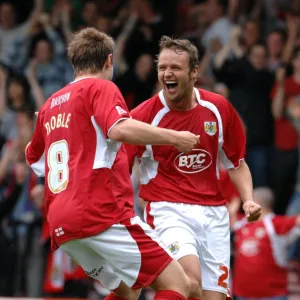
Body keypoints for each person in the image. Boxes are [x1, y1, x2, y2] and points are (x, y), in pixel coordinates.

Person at [25, 28, 201, 300]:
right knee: (178, 285)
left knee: (128, 291)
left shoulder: (49, 106)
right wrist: (174, 138)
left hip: (62, 223)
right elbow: (118, 129)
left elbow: (33, 157)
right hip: (101, 213)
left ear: (74, 63)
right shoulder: (101, 87)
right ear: (108, 61)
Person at [124, 36, 262, 300]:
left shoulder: (218, 108)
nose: (167, 73)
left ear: (194, 72)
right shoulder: (143, 117)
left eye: (175, 67)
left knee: (212, 298)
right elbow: (121, 165)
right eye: (163, 67)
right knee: (188, 281)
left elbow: (237, 163)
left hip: (214, 216)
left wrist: (248, 200)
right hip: (168, 210)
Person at [231, 187, 300, 300]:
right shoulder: (242, 223)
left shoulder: (275, 223)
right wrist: (232, 211)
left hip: (272, 294)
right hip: (242, 293)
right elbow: (229, 222)